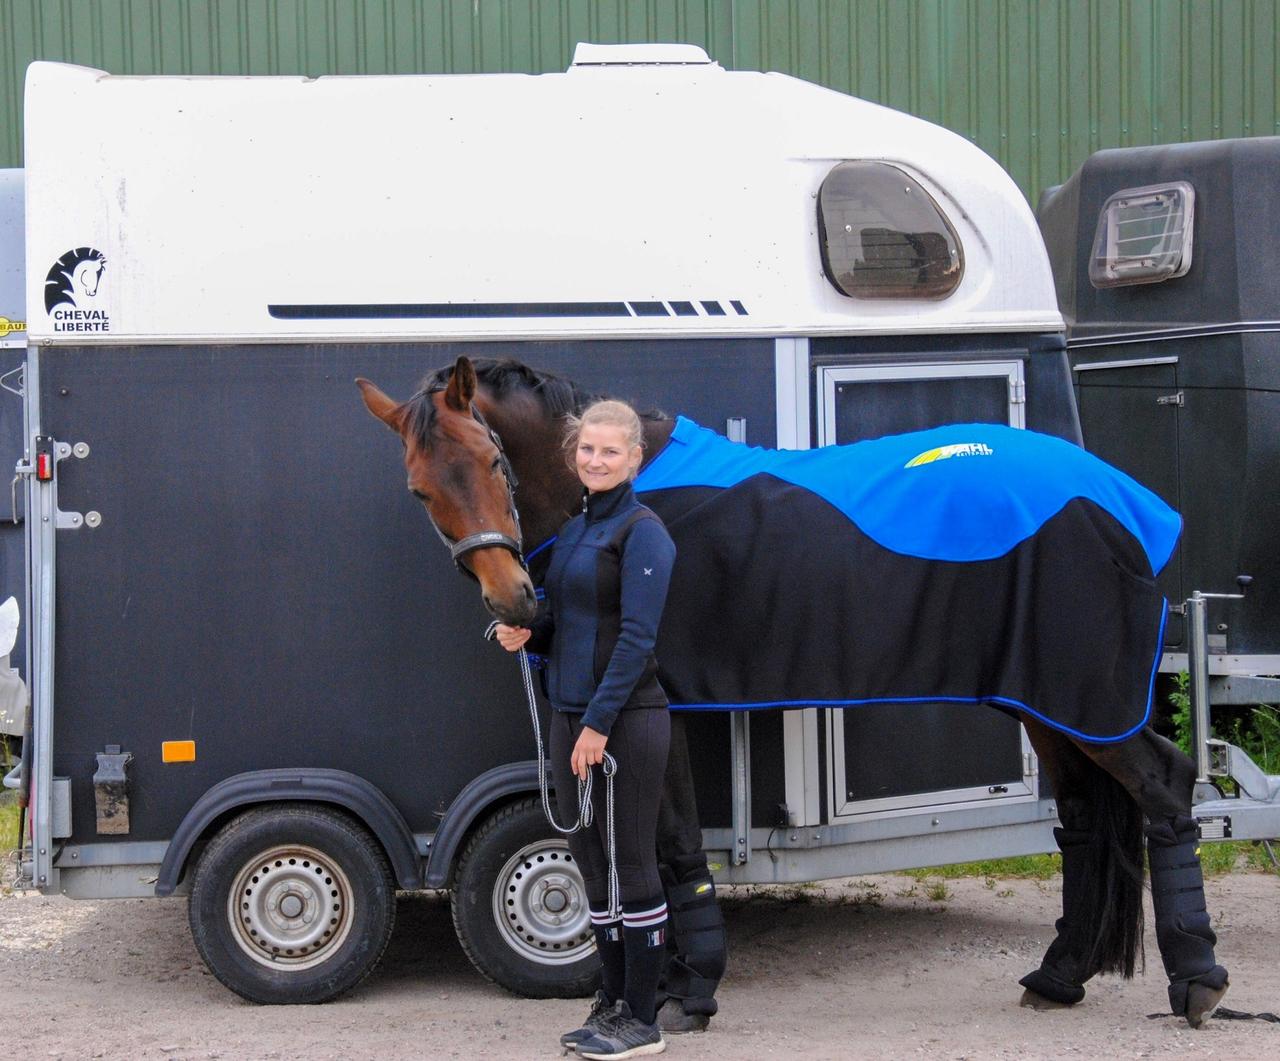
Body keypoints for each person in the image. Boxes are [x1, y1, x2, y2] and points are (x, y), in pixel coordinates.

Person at [494, 399, 675, 1059]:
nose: (595, 460)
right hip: (570, 715)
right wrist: (527, 627)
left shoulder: (643, 531)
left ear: (634, 457)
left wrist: (597, 724)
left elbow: (635, 637)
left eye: (609, 451)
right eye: (587, 450)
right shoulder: (575, 532)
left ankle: (645, 1018)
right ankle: (613, 999)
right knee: (593, 867)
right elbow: (564, 618)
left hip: (625, 720)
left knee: (632, 865)